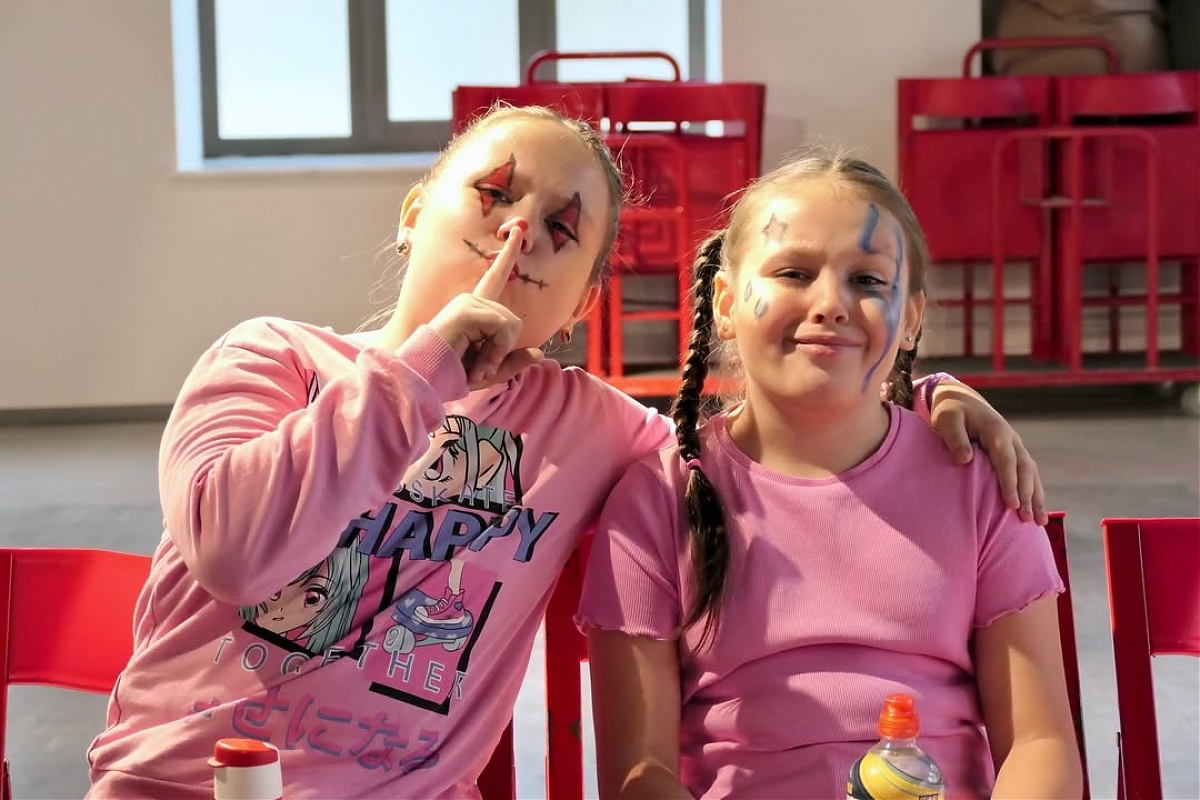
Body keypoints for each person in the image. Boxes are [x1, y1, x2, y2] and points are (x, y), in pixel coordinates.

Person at [86, 106, 1048, 799]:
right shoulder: (271, 358)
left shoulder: (591, 431)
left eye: (560, 229)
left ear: (581, 301)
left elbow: (780, 438)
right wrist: (426, 368)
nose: (519, 233)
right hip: (179, 783)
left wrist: (923, 393)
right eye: (494, 195)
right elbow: (233, 549)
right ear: (414, 212)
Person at [578, 153, 1083, 799]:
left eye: (867, 280)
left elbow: (1040, 744)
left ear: (911, 320)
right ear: (725, 304)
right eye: (793, 272)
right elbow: (639, 776)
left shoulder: (978, 482)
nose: (831, 305)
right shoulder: (658, 498)